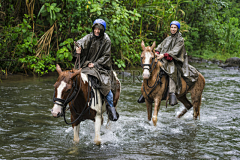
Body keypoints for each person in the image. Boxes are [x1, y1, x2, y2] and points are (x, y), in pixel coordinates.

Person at [138, 21, 198, 106]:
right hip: (164, 59)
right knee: (152, 67)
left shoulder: (180, 40)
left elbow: (175, 52)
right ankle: (145, 92)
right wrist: (156, 53)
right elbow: (159, 47)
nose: (173, 29)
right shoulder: (167, 39)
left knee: (171, 71)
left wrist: (164, 55)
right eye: (172, 27)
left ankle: (172, 93)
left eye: (175, 28)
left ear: (177, 29)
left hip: (174, 61)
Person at [73, 19, 118, 121]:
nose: (97, 31)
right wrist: (78, 48)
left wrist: (96, 64)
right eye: (95, 29)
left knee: (106, 86)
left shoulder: (107, 40)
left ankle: (111, 109)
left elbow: (106, 56)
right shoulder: (89, 37)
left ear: (103, 30)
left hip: (102, 67)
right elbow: (80, 42)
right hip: (86, 65)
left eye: (99, 29)